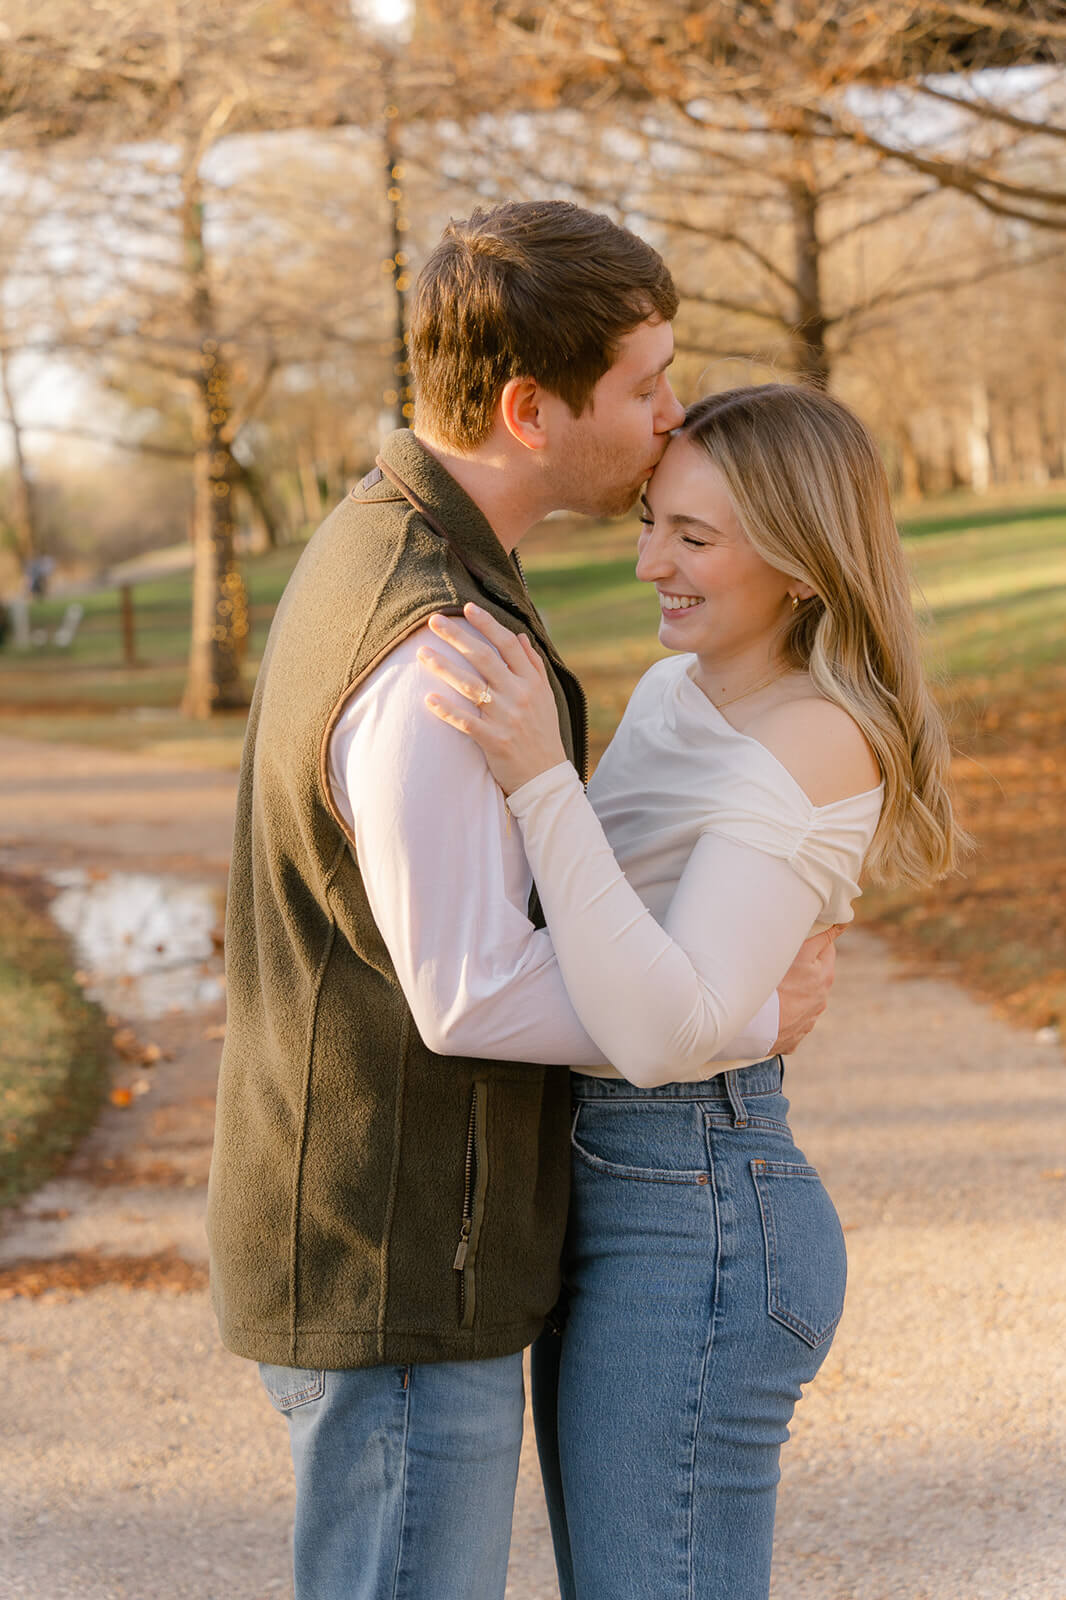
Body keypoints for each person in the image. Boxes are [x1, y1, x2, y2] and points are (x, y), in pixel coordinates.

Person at [206, 203, 837, 1600]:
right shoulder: (434, 638)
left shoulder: (401, 552)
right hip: (398, 1258)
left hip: (397, 1245)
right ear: (529, 411)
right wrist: (727, 1017)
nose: (670, 416)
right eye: (643, 383)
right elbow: (472, 991)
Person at [418, 382, 964, 1600]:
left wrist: (541, 777)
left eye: (694, 537)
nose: (649, 562)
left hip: (697, 1209)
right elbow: (605, 937)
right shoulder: (680, 689)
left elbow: (664, 1033)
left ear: (802, 564)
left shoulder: (814, 737)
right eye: (651, 522)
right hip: (610, 1183)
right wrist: (751, 1011)